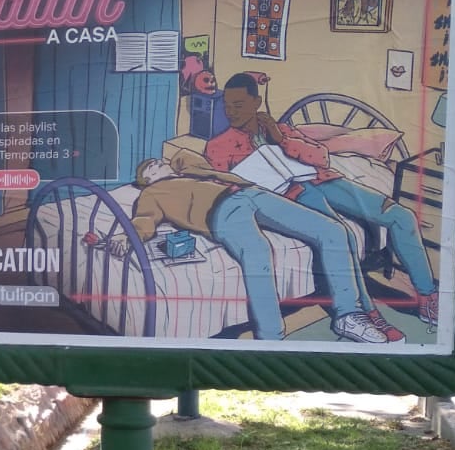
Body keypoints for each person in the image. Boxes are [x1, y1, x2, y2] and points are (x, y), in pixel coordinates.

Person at [204, 72, 438, 330]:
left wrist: (282, 140)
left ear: (257, 103)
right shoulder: (217, 146)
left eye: (238, 105)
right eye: (226, 105)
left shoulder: (281, 129)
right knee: (343, 235)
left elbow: (322, 157)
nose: (230, 112)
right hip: (291, 192)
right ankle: (367, 310)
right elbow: (231, 187)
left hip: (325, 179)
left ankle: (428, 295)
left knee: (402, 216)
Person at [108, 151, 397, 344]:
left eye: (160, 161)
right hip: (221, 212)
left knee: (333, 230)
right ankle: (271, 338)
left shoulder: (195, 170)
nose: (160, 162)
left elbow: (189, 157)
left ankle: (347, 315)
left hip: (252, 193)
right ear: (145, 180)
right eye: (153, 166)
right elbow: (144, 220)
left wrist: (178, 165)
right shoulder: (152, 192)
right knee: (258, 254)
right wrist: (127, 237)